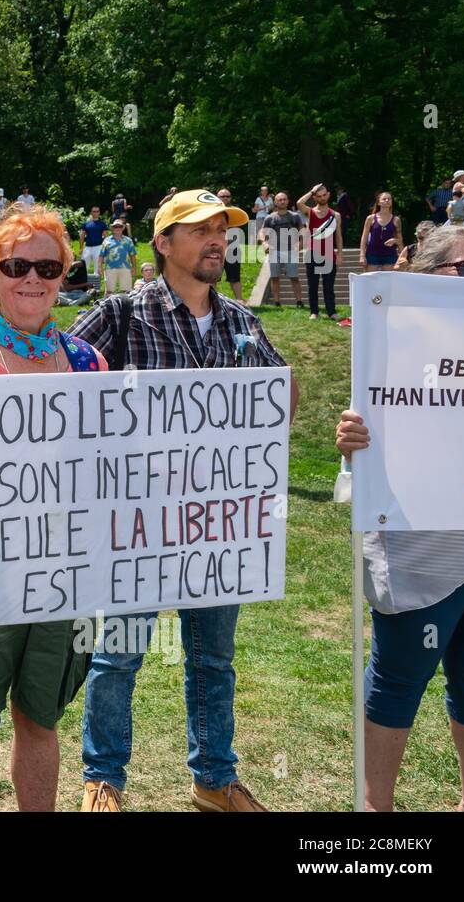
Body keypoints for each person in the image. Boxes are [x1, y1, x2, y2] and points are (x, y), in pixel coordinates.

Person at [69, 189, 299, 812]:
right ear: (163, 244)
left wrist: (276, 391)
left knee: (213, 660)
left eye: (222, 228)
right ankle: (103, 780)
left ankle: (214, 780)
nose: (217, 238)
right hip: (131, 523)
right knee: (116, 655)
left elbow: (282, 405)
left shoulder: (243, 323)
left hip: (217, 526)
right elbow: (55, 388)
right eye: (199, 229)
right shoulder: (120, 315)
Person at [0, 203, 102, 811]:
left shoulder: (89, 364)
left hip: (63, 562)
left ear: (65, 274)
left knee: (41, 713)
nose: (32, 277)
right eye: (15, 265)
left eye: (48, 265)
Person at [335, 224, 464, 813]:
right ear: (429, 277)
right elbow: (378, 431)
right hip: (421, 550)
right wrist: (355, 444)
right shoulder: (392, 343)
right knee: (399, 682)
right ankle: (378, 816)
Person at [296, 183, 343, 320]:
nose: (322, 198)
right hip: (312, 252)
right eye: (319, 196)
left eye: (324, 195)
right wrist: (311, 191)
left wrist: (339, 253)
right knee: (313, 285)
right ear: (315, 198)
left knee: (329, 286)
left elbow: (338, 236)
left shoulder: (336, 215)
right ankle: (314, 311)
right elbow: (299, 203)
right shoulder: (310, 212)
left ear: (328, 195)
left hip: (329, 254)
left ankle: (331, 311)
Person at [258, 191, 305, 307]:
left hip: (290, 250)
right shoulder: (270, 218)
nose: (282, 201)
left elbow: (303, 230)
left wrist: (301, 242)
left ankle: (299, 301)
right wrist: (264, 243)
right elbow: (262, 232)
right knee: (275, 277)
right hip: (274, 251)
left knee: (294, 277)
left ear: (288, 201)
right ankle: (277, 302)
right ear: (275, 202)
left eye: (284, 199)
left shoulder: (295, 216)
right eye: (280, 200)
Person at [360, 192, 402, 270]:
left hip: (390, 255)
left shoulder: (396, 220)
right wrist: (362, 256)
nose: (387, 200)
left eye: (389, 199)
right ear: (379, 202)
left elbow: (400, 241)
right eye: (384, 199)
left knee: (388, 281)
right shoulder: (370, 218)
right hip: (372, 254)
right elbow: (364, 238)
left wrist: (395, 241)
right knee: (370, 280)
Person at [217, 187, 245, 301]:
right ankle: (210, 301)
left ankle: (240, 301)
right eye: (222, 196)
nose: (225, 198)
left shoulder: (235, 212)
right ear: (217, 198)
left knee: (235, 278)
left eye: (227, 196)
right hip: (216, 248)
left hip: (233, 248)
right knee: (212, 277)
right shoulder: (210, 211)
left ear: (230, 198)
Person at [100, 218, 137, 294]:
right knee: (109, 291)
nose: (117, 228)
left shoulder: (128, 240)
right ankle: (106, 305)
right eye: (115, 226)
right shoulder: (106, 240)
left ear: (123, 228)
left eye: (119, 226)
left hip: (125, 267)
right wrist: (99, 267)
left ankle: (127, 305)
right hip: (110, 268)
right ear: (112, 228)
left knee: (127, 291)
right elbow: (101, 255)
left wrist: (134, 267)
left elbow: (132, 254)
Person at [78, 205, 108, 277]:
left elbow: (105, 237)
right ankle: (83, 286)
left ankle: (96, 287)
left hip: (98, 247)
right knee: (83, 267)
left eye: (97, 211)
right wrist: (81, 248)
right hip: (87, 247)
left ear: (99, 213)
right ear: (91, 212)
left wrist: (105, 249)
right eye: (94, 211)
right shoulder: (86, 224)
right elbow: (82, 236)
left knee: (97, 269)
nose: (95, 213)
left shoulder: (102, 224)